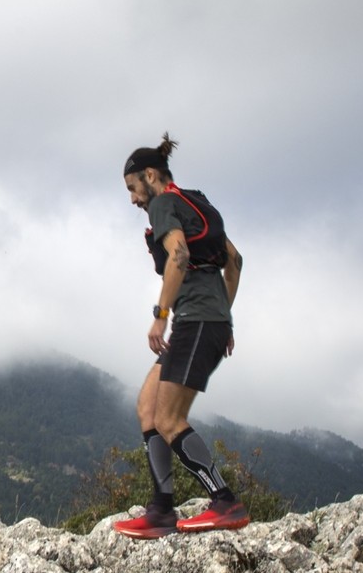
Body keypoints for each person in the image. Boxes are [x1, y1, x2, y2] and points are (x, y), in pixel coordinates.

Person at [111, 133, 252, 538]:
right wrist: (224, 316)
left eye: (133, 188)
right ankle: (161, 510)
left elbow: (178, 254)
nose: (133, 199)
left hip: (196, 321)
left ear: (150, 176)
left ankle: (225, 501)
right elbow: (235, 260)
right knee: (148, 407)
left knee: (169, 420)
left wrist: (160, 315)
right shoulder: (195, 201)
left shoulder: (163, 205)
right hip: (205, 320)